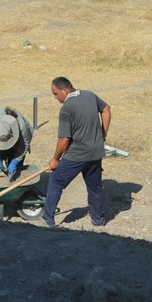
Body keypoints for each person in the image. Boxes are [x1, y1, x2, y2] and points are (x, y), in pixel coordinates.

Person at [42, 76, 112, 228]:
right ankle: (98, 220)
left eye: (55, 94)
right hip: (95, 153)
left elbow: (64, 139)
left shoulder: (67, 108)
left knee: (56, 181)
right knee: (95, 187)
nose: (54, 98)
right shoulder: (89, 95)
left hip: (77, 155)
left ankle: (47, 217)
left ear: (65, 90)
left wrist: (55, 159)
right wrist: (102, 134)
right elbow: (106, 109)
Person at [0, 106, 34, 176]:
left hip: (17, 144)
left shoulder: (22, 127)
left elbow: (24, 146)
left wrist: (15, 162)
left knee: (16, 171)